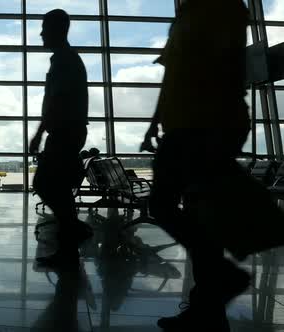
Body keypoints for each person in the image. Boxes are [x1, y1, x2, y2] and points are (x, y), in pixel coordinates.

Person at [140, 1, 251, 331]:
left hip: (203, 124)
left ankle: (221, 282)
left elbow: (228, 67)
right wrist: (154, 123)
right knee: (200, 218)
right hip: (188, 125)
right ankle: (208, 309)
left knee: (163, 204)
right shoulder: (189, 12)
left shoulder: (218, 8)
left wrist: (218, 131)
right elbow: (172, 74)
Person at [30, 9, 93, 267]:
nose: (41, 34)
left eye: (45, 29)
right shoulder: (68, 59)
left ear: (57, 30)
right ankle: (69, 243)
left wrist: (38, 133)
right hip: (70, 131)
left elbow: (56, 101)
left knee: (45, 183)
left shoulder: (64, 60)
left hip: (64, 132)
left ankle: (71, 232)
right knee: (58, 188)